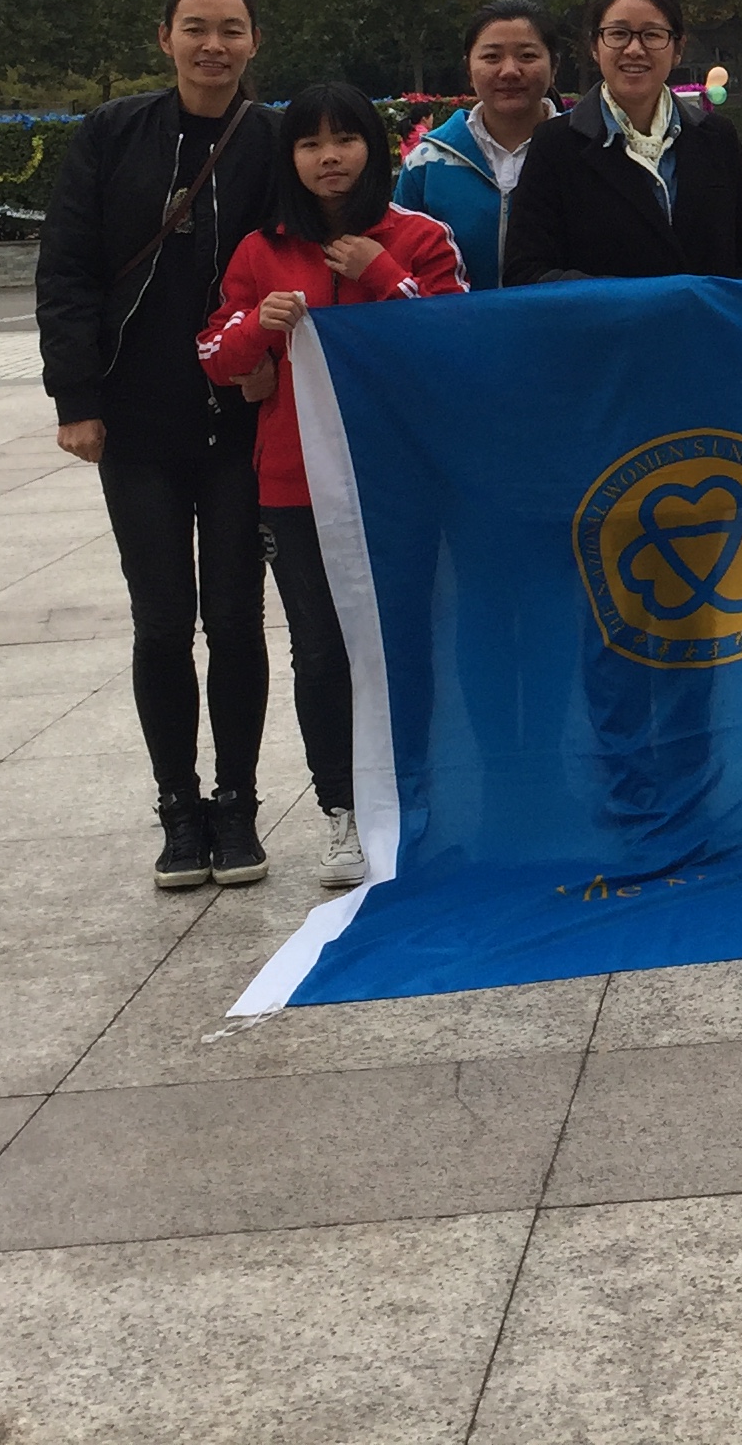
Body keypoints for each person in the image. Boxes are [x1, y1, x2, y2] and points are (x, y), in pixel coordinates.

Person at [35, 0, 283, 889]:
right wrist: (76, 398)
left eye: (231, 29)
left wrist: (278, 364)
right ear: (165, 37)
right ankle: (178, 808)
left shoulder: (272, 140)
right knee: (163, 621)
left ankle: (237, 806)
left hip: (239, 416)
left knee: (237, 619)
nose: (213, 46)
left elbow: (296, 262)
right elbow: (67, 268)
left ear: (254, 41)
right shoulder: (113, 134)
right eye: (196, 28)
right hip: (137, 418)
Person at [199, 83, 464, 889]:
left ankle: (422, 795)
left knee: (407, 639)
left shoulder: (418, 237)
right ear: (290, 161)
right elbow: (217, 357)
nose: (329, 157)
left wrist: (385, 275)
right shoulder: (261, 250)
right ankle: (341, 808)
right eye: (309, 144)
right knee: (319, 650)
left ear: (372, 149)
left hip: (400, 481)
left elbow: (455, 343)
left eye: (344, 139)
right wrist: (258, 326)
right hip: (296, 483)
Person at [503, 0, 742, 281]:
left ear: (678, 49)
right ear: (594, 46)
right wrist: (626, 300)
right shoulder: (555, 145)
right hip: (604, 315)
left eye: (652, 35)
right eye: (618, 34)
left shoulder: (718, 138)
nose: (634, 49)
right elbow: (526, 270)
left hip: (706, 314)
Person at [394, 0, 559, 292]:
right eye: (492, 57)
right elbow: (400, 263)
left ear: (554, 66)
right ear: (469, 70)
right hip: (455, 322)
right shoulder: (427, 164)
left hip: (561, 320)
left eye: (527, 56)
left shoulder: (587, 153)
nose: (509, 71)